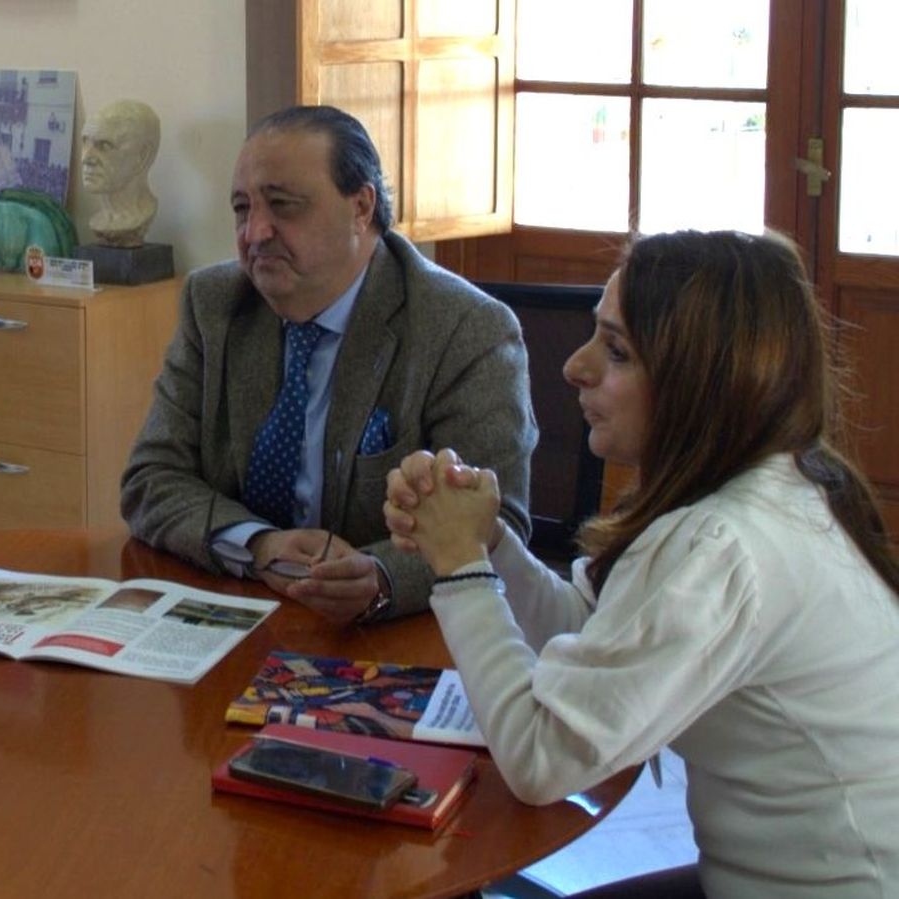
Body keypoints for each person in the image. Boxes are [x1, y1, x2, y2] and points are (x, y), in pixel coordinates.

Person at [384, 230, 899, 897]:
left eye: (617, 349)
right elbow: (598, 632)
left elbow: (539, 760)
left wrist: (458, 567)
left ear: (705, 379)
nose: (575, 365)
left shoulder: (720, 543)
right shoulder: (774, 484)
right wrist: (489, 542)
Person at [121, 104, 536, 625]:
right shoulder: (215, 303)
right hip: (242, 612)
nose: (255, 233)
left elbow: (498, 529)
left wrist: (381, 577)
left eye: (283, 206)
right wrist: (260, 544)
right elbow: (150, 478)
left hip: (399, 635)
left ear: (361, 207)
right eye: (243, 209)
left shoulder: (464, 328)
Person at [80, 99, 160, 247]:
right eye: (85, 142)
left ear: (142, 157)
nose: (86, 158)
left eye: (104, 145)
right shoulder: (99, 220)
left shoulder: (141, 216)